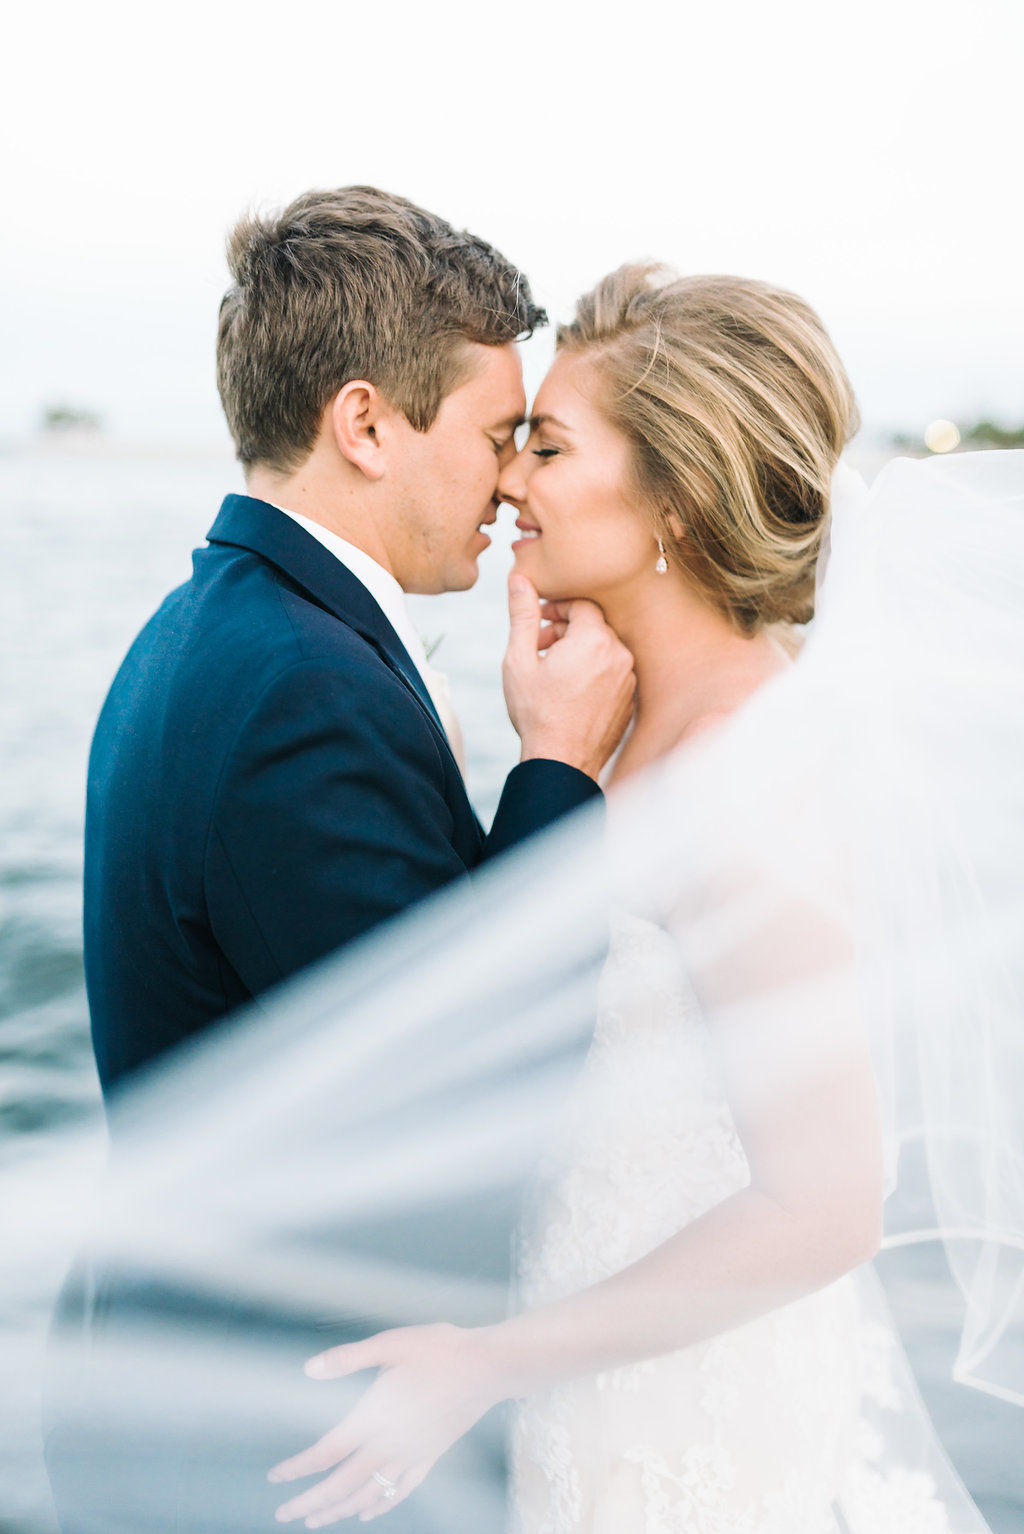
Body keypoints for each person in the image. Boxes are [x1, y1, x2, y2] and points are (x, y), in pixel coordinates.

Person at [266, 270, 1014, 1531]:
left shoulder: (744, 772)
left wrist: (487, 1361)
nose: (508, 482)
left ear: (671, 491)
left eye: (547, 447)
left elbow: (827, 1204)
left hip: (690, 1430)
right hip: (592, 1385)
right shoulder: (610, 726)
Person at [45, 190, 634, 1534]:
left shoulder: (218, 625)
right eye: (497, 436)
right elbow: (471, 1091)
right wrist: (558, 769)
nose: (510, 480)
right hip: (284, 1441)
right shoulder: (294, 692)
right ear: (365, 423)